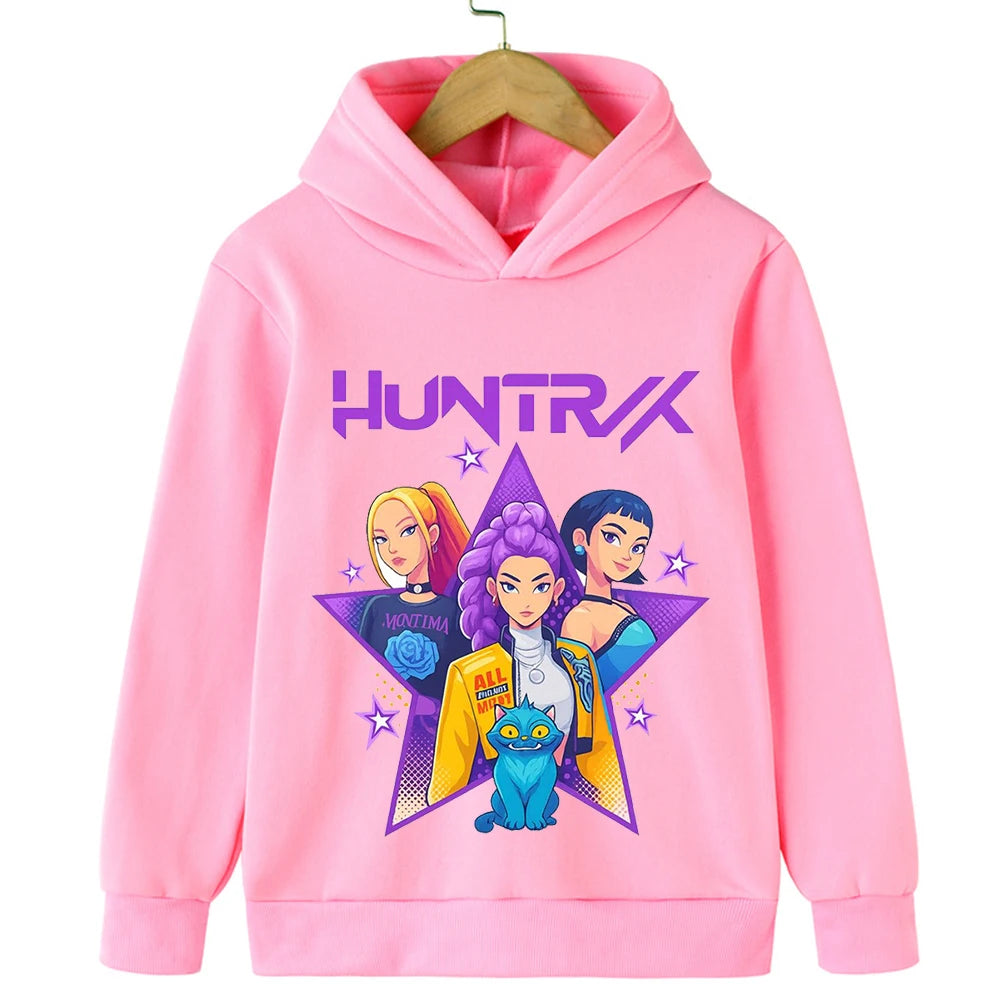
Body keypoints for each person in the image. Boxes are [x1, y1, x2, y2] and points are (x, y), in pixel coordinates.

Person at [427, 500, 619, 808]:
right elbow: (448, 776)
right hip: (497, 808)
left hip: (576, 814)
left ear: (557, 590)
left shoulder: (579, 660)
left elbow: (601, 756)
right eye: (511, 586)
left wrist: (617, 810)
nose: (526, 600)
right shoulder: (469, 672)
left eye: (540, 587)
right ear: (494, 589)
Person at [359, 483, 471, 702]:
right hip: (380, 716)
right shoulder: (377, 608)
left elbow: (463, 685)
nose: (392, 548)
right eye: (381, 539)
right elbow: (362, 677)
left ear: (432, 535)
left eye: (407, 531)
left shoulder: (453, 611)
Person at [559, 490, 656, 688]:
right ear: (580, 538)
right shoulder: (580, 620)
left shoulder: (625, 608)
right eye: (612, 537)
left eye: (637, 547)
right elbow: (579, 695)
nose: (627, 555)